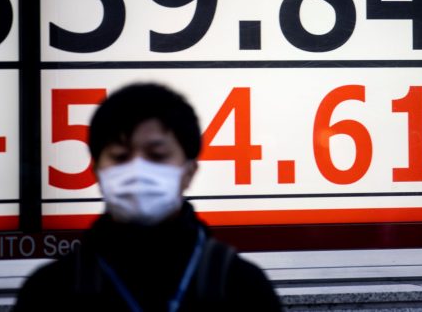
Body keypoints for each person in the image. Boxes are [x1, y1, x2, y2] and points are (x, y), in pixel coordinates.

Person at [15, 82, 282, 311]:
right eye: (120, 156)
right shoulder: (49, 291)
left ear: (189, 170)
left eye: (157, 156)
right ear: (96, 170)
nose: (137, 169)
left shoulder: (242, 287)